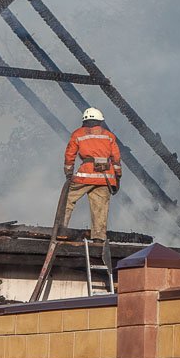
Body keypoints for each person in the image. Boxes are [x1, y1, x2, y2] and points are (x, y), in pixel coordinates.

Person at [62, 107, 122, 261]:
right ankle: (98, 238)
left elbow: (70, 155)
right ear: (100, 121)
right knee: (100, 208)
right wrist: (118, 176)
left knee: (67, 200)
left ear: (85, 121)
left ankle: (61, 229)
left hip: (85, 176)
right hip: (105, 177)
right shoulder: (109, 136)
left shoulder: (78, 134)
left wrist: (69, 172)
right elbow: (116, 158)